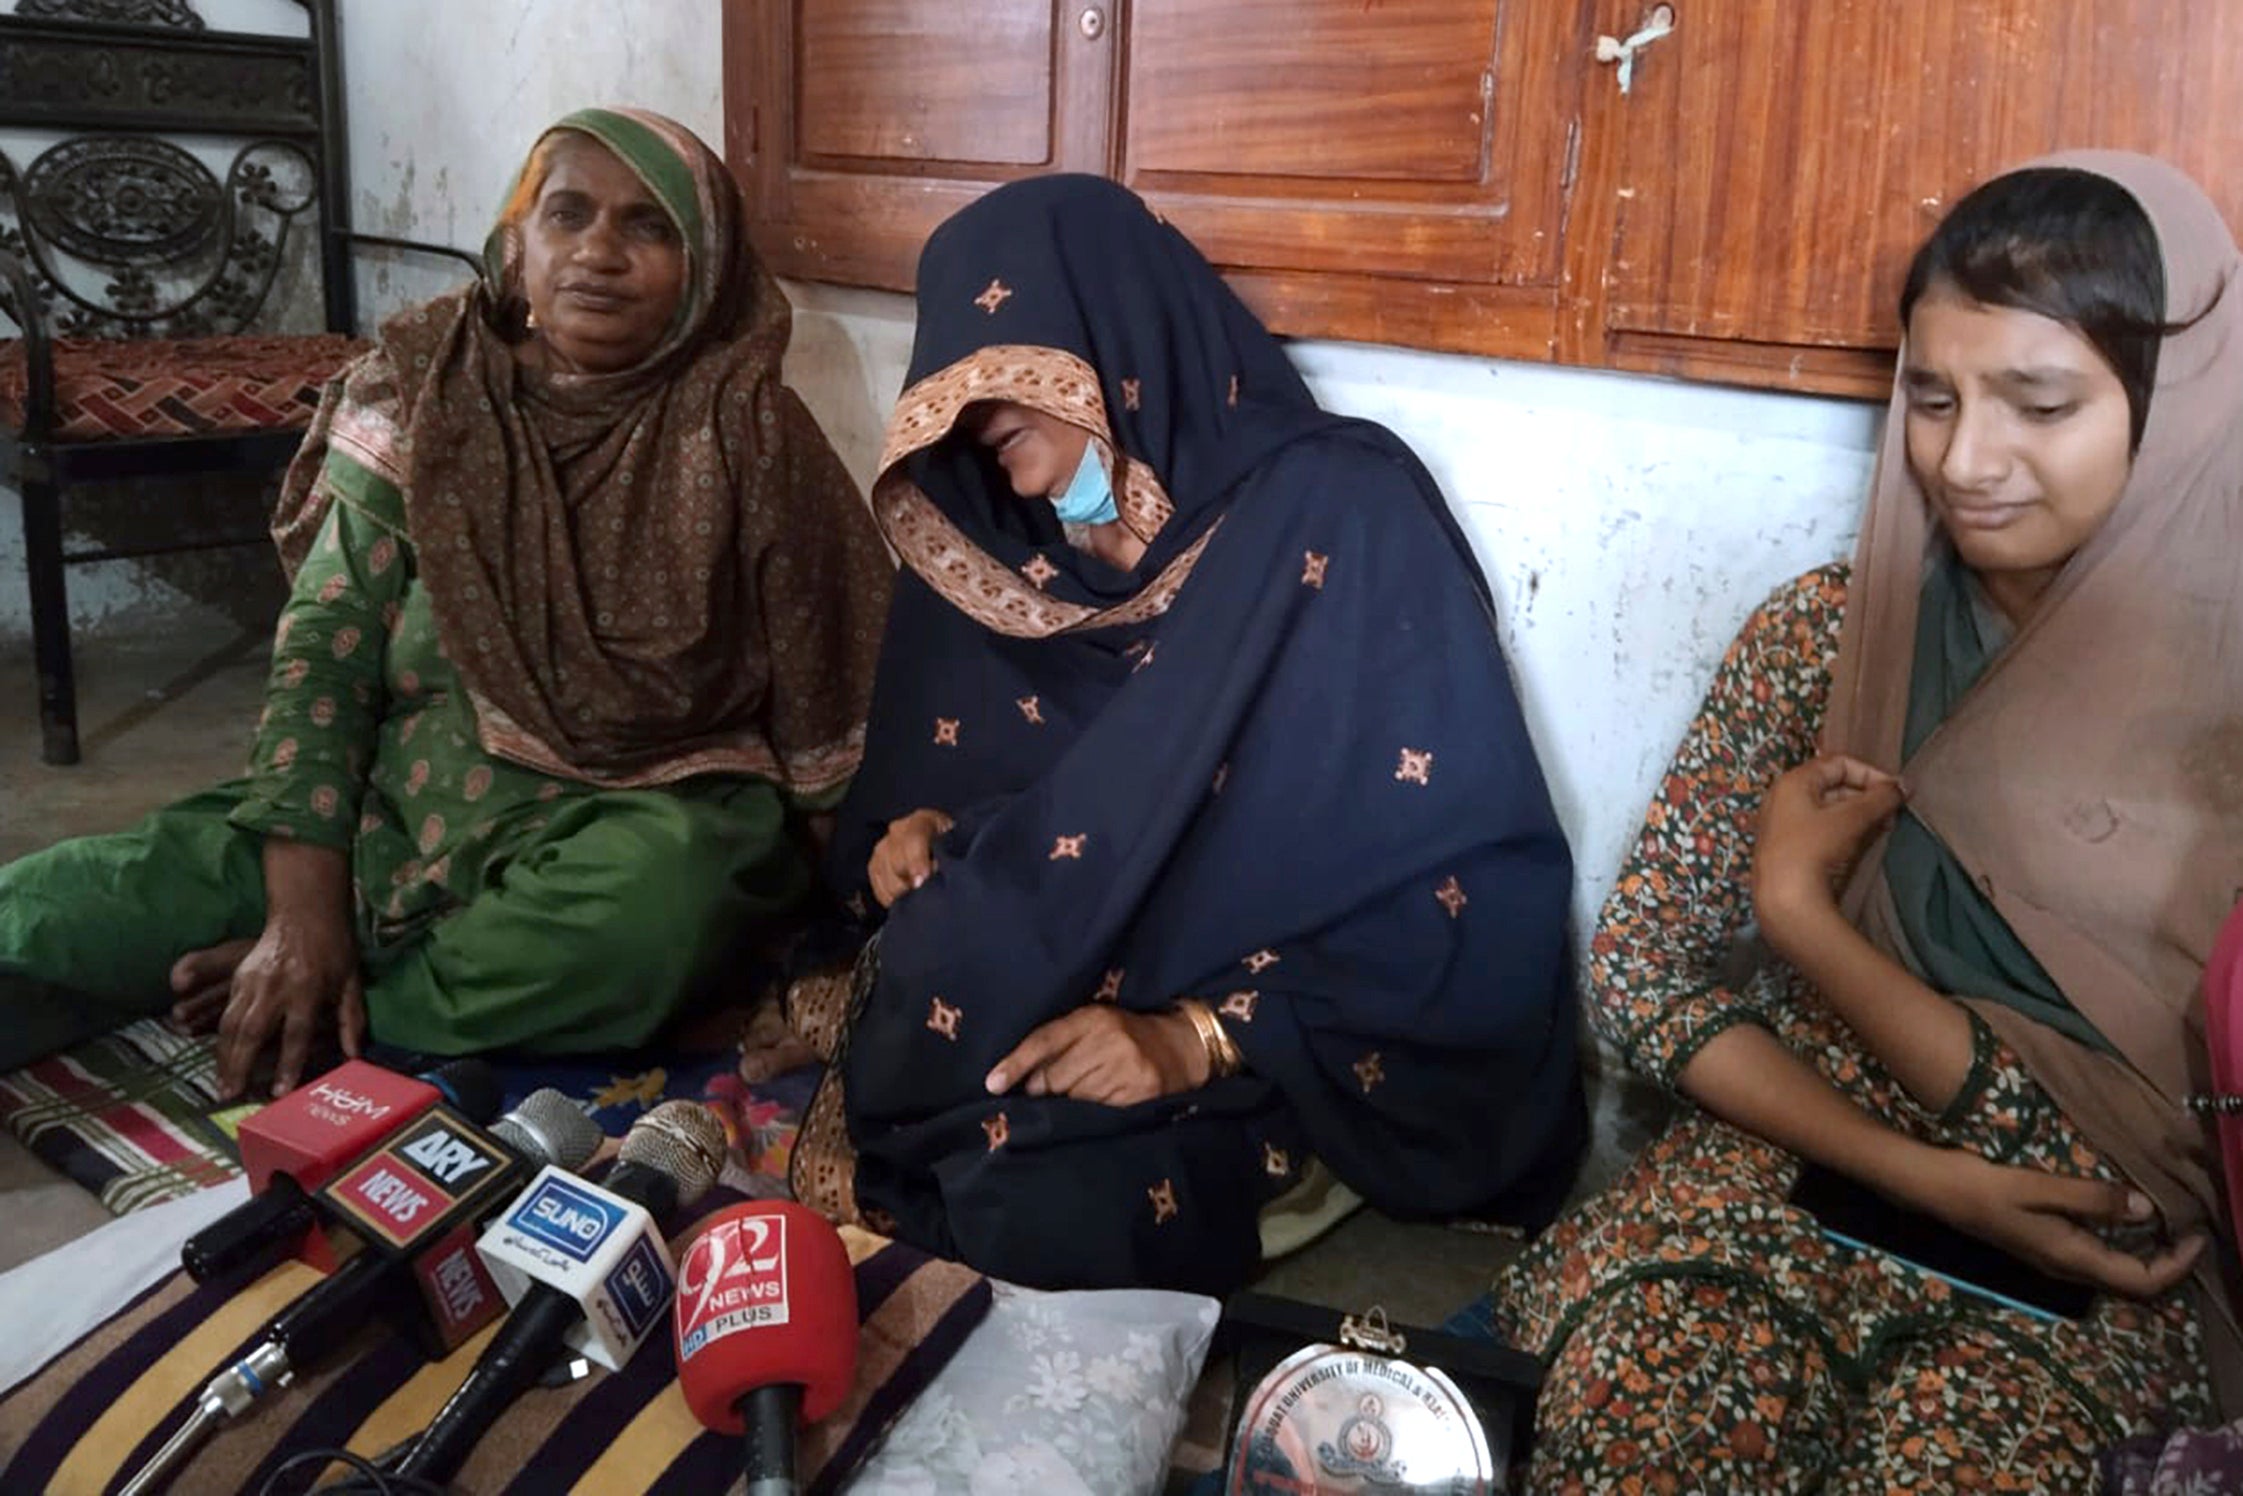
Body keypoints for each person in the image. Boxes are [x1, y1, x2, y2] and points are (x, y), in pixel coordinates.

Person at [1494, 152, 2243, 1490]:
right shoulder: (1831, 641)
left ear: (2172, 410)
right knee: (1639, 1422)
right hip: (1794, 1166)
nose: (1963, 461)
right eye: (1930, 396)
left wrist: (1802, 921)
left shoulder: (2227, 714)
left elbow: (2186, 1141)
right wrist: (1920, 1174)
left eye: (2038, 403)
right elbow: (1641, 976)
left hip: (2094, 1264)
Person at [778, 174, 1585, 1296]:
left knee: (1037, 1195)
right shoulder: (1002, 546)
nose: (965, 408)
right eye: (947, 381)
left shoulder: (1336, 512)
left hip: (1277, 1008)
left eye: (1002, 359)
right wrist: (923, 831)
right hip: (1084, 942)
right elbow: (1020, 793)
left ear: (1111, 334)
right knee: (930, 992)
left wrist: (1193, 1036)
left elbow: (1453, 863)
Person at [0, 108, 894, 1099]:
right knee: (65, 904)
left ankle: (357, 1006)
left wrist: (834, 947)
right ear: (515, 250)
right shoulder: (425, 384)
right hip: (394, 803)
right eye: (568, 214)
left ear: (709, 267)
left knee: (654, 922)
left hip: (639, 818)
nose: (598, 251)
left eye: (649, 227)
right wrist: (303, 915)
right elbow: (326, 648)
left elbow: (833, 709)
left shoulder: (751, 428)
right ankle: (308, 959)